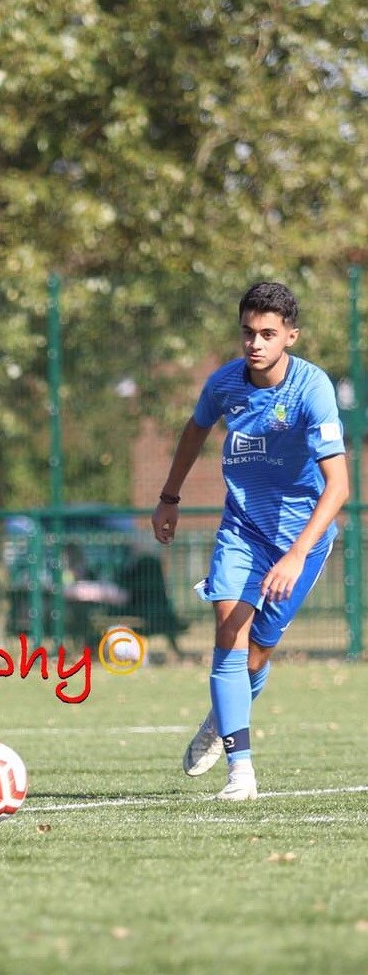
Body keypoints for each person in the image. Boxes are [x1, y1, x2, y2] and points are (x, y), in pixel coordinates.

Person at [153, 281, 348, 801]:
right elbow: (194, 432)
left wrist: (296, 554)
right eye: (248, 332)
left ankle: (222, 719)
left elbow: (340, 486)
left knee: (257, 655)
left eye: (267, 333)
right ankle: (242, 772)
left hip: (301, 541)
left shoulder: (312, 388)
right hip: (242, 530)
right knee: (228, 629)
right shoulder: (224, 385)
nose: (255, 343)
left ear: (290, 335)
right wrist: (168, 497)